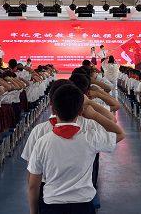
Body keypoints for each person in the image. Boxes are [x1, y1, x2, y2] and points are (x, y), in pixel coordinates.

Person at [28, 84, 124, 214]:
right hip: (83, 205)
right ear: (81, 111)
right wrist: (95, 115)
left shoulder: (42, 143)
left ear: (53, 109)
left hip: (52, 205)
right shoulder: (91, 138)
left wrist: (34, 212)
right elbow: (120, 133)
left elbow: (33, 185)